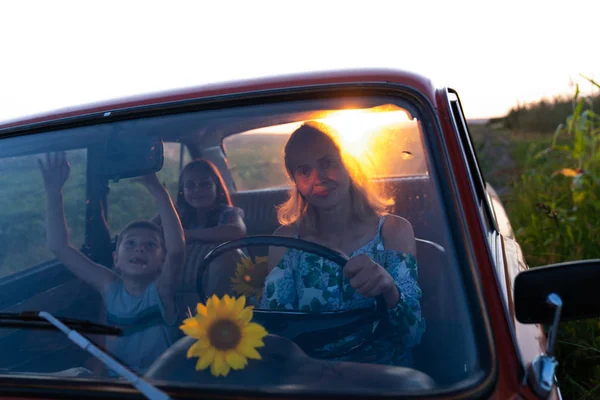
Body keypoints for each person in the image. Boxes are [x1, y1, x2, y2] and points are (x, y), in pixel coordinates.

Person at [260, 121, 426, 367]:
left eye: (328, 163)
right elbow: (274, 336)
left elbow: (412, 336)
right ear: (295, 181)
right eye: (304, 171)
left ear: (348, 163)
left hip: (385, 378)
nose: (318, 178)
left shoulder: (393, 231)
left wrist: (389, 289)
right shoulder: (285, 243)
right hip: (312, 379)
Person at [39, 152, 186, 374]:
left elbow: (176, 250)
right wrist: (53, 193)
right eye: (131, 244)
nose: (139, 248)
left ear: (162, 262)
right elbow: (60, 247)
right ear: (115, 259)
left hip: (155, 384)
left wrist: (157, 189)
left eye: (150, 245)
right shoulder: (110, 286)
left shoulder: (161, 292)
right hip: (113, 385)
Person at [152, 159, 247, 297]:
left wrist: (187, 235)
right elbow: (147, 230)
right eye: (190, 185)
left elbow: (237, 231)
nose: (198, 190)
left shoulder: (228, 213)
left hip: (229, 281)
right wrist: (167, 208)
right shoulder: (178, 214)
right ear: (182, 191)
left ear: (217, 188)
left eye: (205, 184)